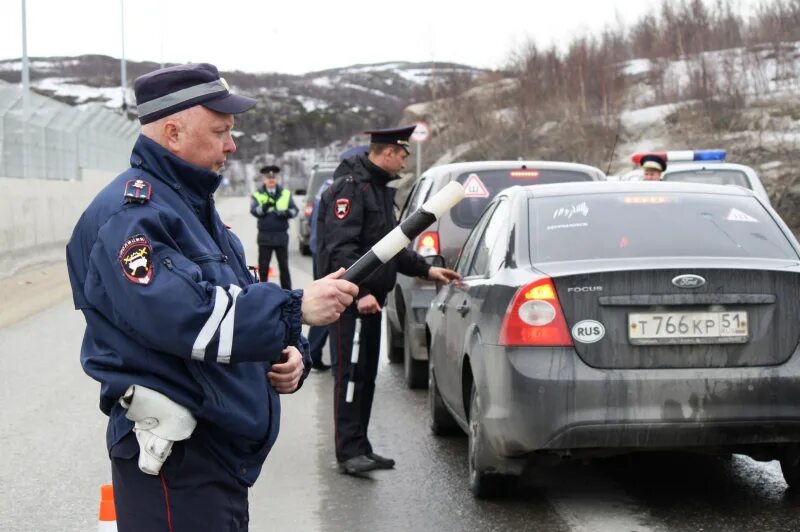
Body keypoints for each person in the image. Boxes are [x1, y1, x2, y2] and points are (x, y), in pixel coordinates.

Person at [65, 63, 358, 531]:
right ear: (173, 131)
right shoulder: (131, 215)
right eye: (220, 131)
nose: (231, 145)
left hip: (212, 455)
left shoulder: (192, 208)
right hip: (177, 461)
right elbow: (184, 317)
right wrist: (293, 309)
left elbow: (237, 298)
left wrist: (288, 353)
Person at [316, 125, 460, 475]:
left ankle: (360, 445)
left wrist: (427, 271)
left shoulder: (378, 189)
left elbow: (389, 248)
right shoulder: (350, 190)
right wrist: (360, 293)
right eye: (402, 154)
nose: (404, 161)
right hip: (349, 303)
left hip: (371, 302)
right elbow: (341, 250)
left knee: (365, 375)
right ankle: (348, 452)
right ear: (387, 153)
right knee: (349, 375)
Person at [250, 165, 298, 288]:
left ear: (276, 179)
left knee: (284, 267)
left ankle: (288, 294)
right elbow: (254, 211)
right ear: (264, 179)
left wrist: (286, 213)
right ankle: (263, 293)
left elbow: (295, 211)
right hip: (265, 237)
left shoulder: (285, 193)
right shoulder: (257, 194)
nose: (271, 180)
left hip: (281, 236)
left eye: (273, 177)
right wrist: (265, 207)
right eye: (268, 177)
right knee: (263, 268)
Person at [306, 174, 335, 371]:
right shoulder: (337, 190)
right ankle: (316, 354)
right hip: (329, 254)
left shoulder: (325, 186)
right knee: (332, 303)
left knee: (326, 302)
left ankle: (313, 353)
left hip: (320, 251)